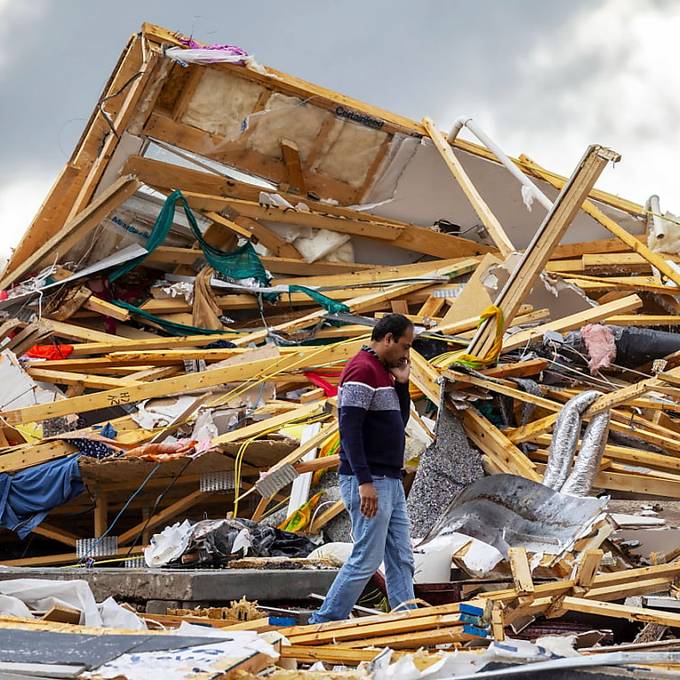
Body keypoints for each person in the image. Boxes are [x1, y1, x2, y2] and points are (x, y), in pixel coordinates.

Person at [309, 313, 416, 623]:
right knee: (367, 558)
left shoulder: (383, 373)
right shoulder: (361, 369)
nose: (406, 354)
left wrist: (403, 386)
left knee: (401, 557)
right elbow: (350, 430)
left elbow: (400, 421)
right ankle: (324, 620)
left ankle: (407, 621)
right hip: (370, 480)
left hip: (389, 479)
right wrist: (364, 481)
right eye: (405, 346)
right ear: (388, 339)